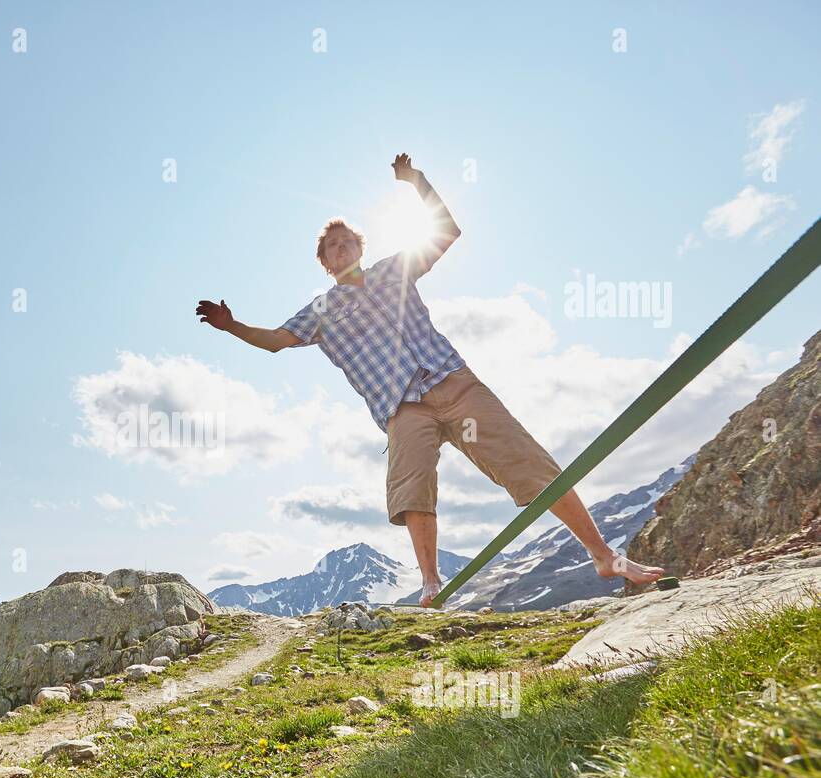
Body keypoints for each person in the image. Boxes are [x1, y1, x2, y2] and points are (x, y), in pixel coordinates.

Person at [195, 152, 664, 606]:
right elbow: (277, 340)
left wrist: (415, 181)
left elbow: (447, 231)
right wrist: (232, 325)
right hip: (403, 408)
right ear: (324, 262)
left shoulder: (394, 270)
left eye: (348, 242)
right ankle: (431, 583)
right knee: (412, 487)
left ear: (362, 249)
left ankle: (603, 556)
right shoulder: (321, 310)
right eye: (332, 247)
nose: (341, 249)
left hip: (453, 384)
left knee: (528, 463)